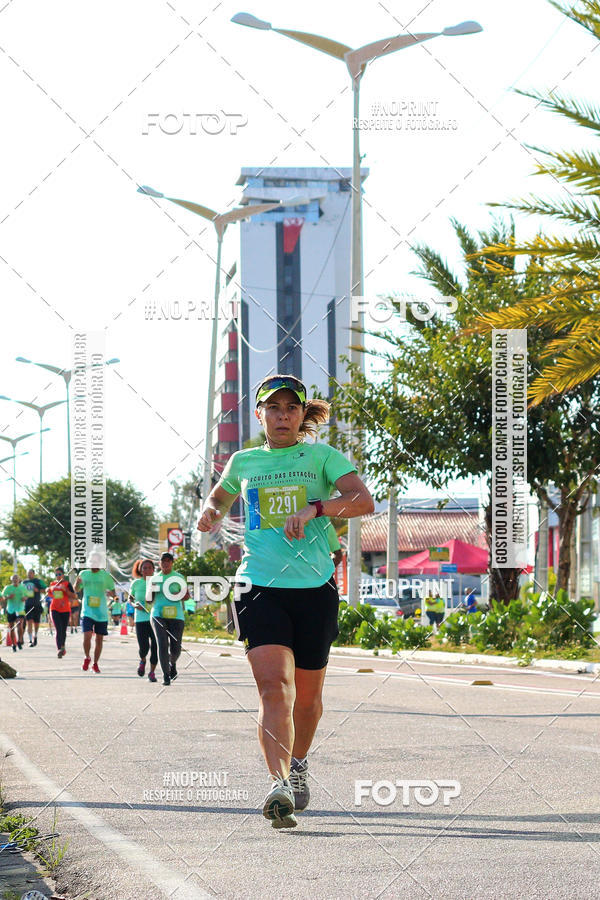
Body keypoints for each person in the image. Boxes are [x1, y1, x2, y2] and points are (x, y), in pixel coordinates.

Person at [197, 374, 374, 829]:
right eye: (273, 408)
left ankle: (297, 765)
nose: (282, 415)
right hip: (258, 585)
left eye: (290, 408)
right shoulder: (244, 460)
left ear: (300, 414)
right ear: (260, 415)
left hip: (314, 587)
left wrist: (316, 508)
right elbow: (221, 495)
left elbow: (362, 500)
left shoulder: (321, 457)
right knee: (273, 687)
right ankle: (276, 785)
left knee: (308, 701)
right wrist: (211, 512)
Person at [150, 552, 189, 686]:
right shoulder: (154, 579)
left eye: (168, 561)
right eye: (163, 561)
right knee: (162, 644)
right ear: (159, 563)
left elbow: (187, 596)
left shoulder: (178, 577)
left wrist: (176, 594)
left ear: (172, 563)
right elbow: (149, 600)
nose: (165, 563)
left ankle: (172, 664)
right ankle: (166, 675)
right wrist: (151, 593)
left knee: (175, 648)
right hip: (158, 614)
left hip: (176, 616)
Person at [75, 556, 116, 673]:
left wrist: (113, 595)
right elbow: (76, 589)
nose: (93, 563)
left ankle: (95, 663)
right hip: (87, 611)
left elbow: (113, 592)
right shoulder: (83, 574)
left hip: (101, 612)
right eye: (91, 561)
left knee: (99, 639)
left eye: (96, 561)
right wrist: (77, 584)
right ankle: (87, 657)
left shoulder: (106, 576)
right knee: (87, 635)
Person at [129, 558, 158, 682]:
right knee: (144, 647)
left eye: (149, 568)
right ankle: (143, 660)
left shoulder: (157, 582)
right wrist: (136, 605)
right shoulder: (135, 583)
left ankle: (152, 672)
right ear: (140, 570)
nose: (147, 570)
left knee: (156, 647)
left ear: (153, 569)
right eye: (144, 568)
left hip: (156, 618)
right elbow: (130, 599)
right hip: (140, 620)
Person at [48, 567, 77, 658]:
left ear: (63, 575)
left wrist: (66, 590)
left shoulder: (67, 584)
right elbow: (49, 593)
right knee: (58, 629)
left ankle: (63, 647)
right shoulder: (52, 584)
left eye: (59, 574)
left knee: (63, 630)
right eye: (56, 575)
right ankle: (59, 649)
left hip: (65, 609)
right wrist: (47, 590)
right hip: (54, 609)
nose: (58, 576)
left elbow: (74, 596)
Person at [2, 575, 28, 651]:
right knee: (12, 628)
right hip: (10, 610)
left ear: (19, 579)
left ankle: (19, 640)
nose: (15, 580)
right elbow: (3, 597)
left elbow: (27, 596)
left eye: (16, 578)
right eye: (13, 578)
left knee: (20, 625)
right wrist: (8, 597)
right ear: (11, 580)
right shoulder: (8, 588)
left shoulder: (22, 587)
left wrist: (24, 598)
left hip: (20, 609)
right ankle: (13, 644)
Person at [23, 569, 47, 647]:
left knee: (36, 623)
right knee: (29, 621)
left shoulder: (38, 581)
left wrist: (38, 590)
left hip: (37, 604)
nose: (29, 574)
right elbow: (21, 592)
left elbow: (46, 590)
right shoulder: (24, 582)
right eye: (28, 573)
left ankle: (35, 636)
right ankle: (30, 639)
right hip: (28, 605)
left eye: (30, 573)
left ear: (34, 574)